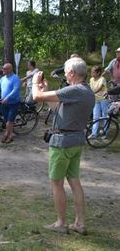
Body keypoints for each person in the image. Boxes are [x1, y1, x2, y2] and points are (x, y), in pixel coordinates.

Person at [32, 57, 94, 235]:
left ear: (73, 73)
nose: (65, 74)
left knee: (57, 183)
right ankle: (79, 223)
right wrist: (45, 89)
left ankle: (61, 223)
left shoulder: (74, 90)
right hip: (76, 141)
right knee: (74, 181)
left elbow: (36, 97)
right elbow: (56, 107)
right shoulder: (87, 91)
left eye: (66, 71)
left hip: (62, 143)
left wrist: (36, 83)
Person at [0, 63, 21, 143]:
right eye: (3, 68)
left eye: (4, 69)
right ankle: (10, 134)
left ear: (10, 69)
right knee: (7, 120)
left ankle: (7, 135)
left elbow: (15, 90)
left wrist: (7, 98)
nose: (2, 70)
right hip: (4, 103)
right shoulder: (2, 79)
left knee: (10, 120)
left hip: (13, 103)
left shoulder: (15, 78)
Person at [88, 66, 108, 139]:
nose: (91, 73)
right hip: (96, 100)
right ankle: (94, 133)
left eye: (93, 72)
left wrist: (92, 93)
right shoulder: (91, 79)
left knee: (104, 116)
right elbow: (90, 88)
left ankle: (105, 132)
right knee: (95, 117)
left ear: (98, 73)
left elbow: (99, 88)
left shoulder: (102, 79)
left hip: (103, 99)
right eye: (91, 72)